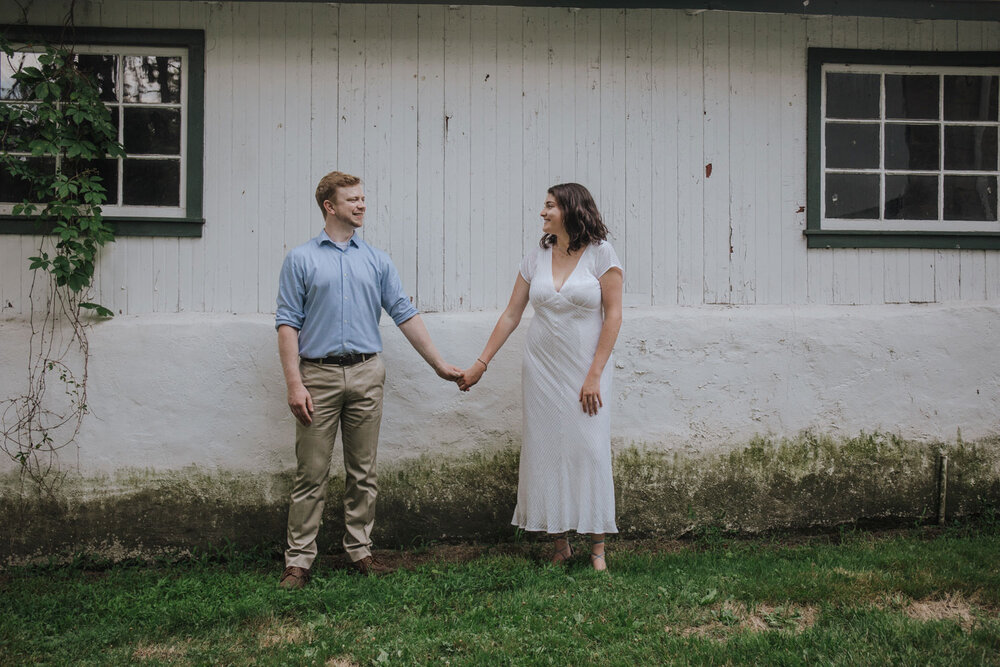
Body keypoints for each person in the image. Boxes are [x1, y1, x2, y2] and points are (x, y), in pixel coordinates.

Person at [275, 170, 462, 588]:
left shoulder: (376, 259)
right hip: (317, 377)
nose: (361, 205)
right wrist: (294, 383)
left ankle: (359, 550)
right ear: (330, 206)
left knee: (363, 470)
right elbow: (287, 323)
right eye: (352, 199)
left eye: (363, 198)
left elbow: (404, 314)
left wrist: (439, 364)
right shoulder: (301, 259)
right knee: (312, 472)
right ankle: (299, 561)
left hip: (366, 372)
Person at [458, 183, 623, 571]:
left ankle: (597, 548)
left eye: (549, 206)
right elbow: (512, 315)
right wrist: (481, 363)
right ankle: (560, 544)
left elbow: (613, 315)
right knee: (546, 447)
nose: (542, 212)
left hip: (587, 368)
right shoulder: (537, 257)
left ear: (570, 209)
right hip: (542, 368)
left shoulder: (601, 255)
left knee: (590, 447)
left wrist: (594, 374)